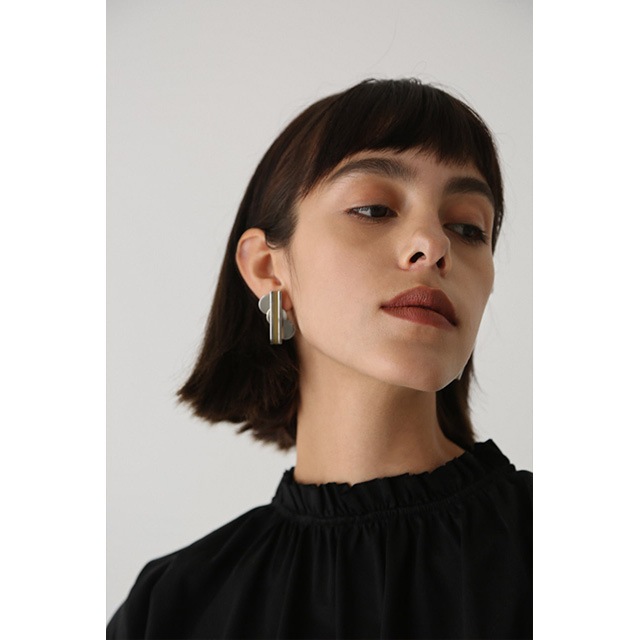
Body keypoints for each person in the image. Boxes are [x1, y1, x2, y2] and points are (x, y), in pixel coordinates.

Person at [107, 78, 532, 639]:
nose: (435, 245)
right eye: (374, 209)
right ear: (267, 269)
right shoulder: (173, 609)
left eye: (467, 227)